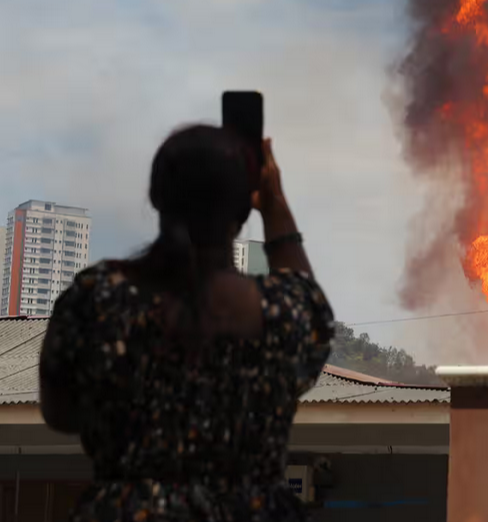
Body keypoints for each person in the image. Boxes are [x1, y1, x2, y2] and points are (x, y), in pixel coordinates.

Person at [39, 124, 334, 521]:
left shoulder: (97, 297)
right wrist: (276, 205)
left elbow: (61, 415)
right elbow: (307, 306)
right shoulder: (281, 313)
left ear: (157, 199)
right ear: (243, 208)